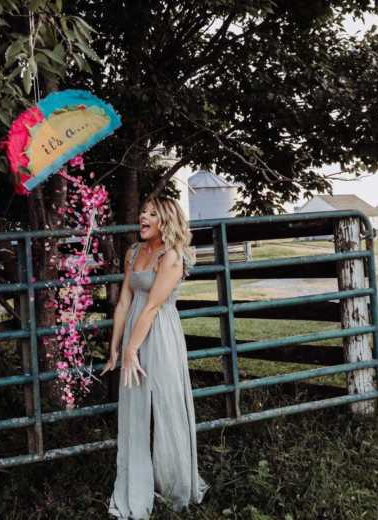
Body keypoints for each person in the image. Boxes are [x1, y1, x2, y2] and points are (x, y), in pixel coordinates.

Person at [101, 195, 208, 519]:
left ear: (165, 220)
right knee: (134, 408)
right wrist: (116, 348)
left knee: (166, 404)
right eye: (143, 212)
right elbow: (124, 303)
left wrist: (133, 348)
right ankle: (136, 483)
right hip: (134, 328)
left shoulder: (172, 257)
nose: (143, 217)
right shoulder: (133, 252)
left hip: (159, 334)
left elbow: (152, 306)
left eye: (151, 214)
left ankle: (175, 483)